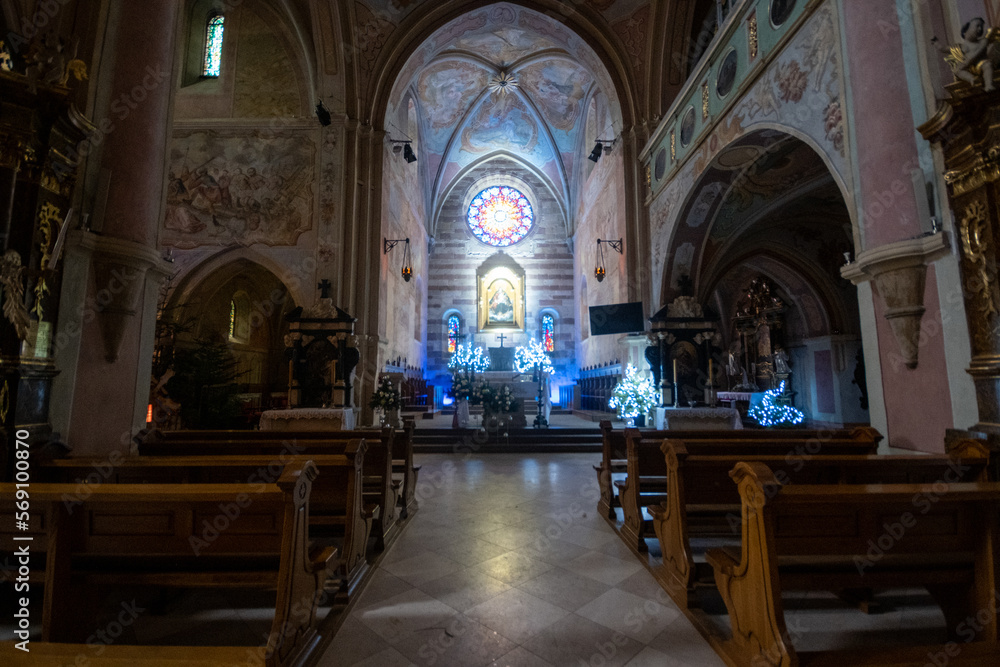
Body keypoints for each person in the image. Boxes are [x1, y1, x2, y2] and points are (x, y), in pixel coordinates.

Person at [933, 17, 1000, 92]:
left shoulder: (983, 41)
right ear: (965, 31)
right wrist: (936, 43)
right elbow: (944, 48)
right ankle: (972, 79)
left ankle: (989, 85)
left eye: (981, 27)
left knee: (987, 65)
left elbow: (978, 52)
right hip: (968, 68)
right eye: (977, 26)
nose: (980, 29)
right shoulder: (959, 47)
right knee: (957, 70)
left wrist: (967, 61)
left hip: (980, 64)